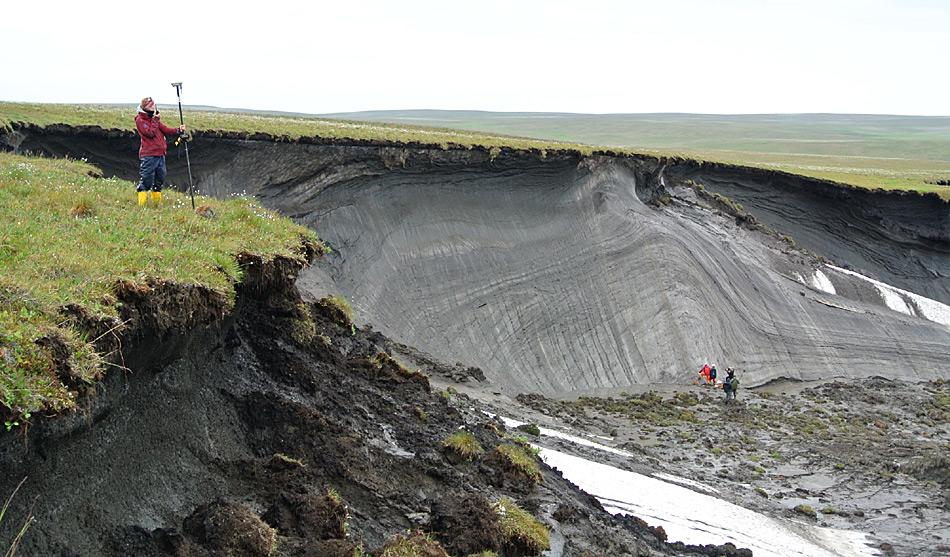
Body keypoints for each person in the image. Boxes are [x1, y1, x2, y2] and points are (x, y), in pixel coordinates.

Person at [134, 97, 185, 206]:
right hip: (149, 155)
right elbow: (150, 133)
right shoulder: (140, 120)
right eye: (150, 106)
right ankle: (141, 206)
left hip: (160, 155)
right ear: (144, 107)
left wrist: (178, 130)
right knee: (146, 180)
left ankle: (156, 205)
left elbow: (165, 129)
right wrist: (156, 120)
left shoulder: (153, 119)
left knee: (159, 179)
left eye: (153, 105)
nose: (153, 107)